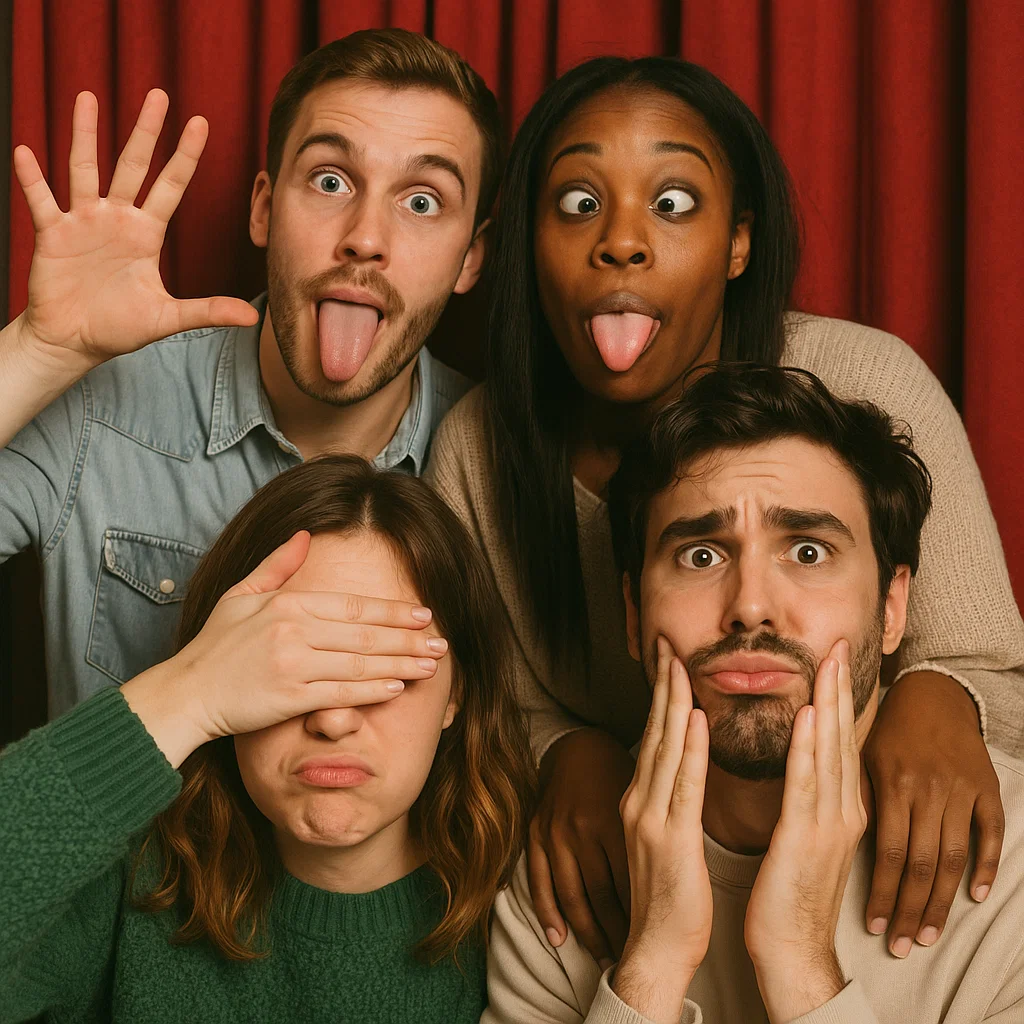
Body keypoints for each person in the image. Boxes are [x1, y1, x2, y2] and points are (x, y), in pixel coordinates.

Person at [427, 55, 1024, 969]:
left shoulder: (868, 382)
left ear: (738, 244)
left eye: (672, 204)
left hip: (859, 898)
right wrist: (562, 751)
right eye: (579, 205)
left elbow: (990, 663)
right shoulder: (479, 447)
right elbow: (482, 701)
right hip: (641, 899)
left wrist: (941, 695)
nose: (621, 242)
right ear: (524, 245)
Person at [484, 365, 1024, 1024]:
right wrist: (649, 963)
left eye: (807, 552)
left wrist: (799, 963)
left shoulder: (1014, 882)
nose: (750, 606)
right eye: (701, 557)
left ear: (891, 608)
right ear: (632, 613)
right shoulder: (558, 876)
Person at [0, 28, 500, 717]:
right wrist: (38, 351)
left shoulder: (490, 458)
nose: (365, 237)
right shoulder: (104, 400)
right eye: (330, 181)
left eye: (421, 201)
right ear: (264, 207)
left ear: (471, 258)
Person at [0, 455, 535, 1023]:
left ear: (457, 696)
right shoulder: (128, 882)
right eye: (295, 662)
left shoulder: (529, 915)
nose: (333, 720)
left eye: (383, 665)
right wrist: (187, 695)